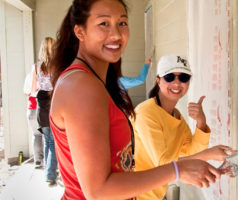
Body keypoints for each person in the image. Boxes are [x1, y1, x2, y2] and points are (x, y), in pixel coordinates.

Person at [49, 0, 226, 199]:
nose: (116, 34)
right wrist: (178, 170)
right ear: (80, 32)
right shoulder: (82, 86)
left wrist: (201, 134)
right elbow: (97, 192)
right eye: (103, 23)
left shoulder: (98, 82)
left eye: (122, 23)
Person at [133, 54, 232, 200]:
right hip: (133, 195)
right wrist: (208, 155)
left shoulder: (175, 115)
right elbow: (163, 165)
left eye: (183, 78)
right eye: (169, 77)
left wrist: (201, 123)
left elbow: (191, 150)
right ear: (158, 80)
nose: (177, 83)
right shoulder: (147, 113)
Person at [32, 37, 58, 186]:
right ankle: (50, 174)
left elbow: (34, 88)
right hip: (53, 103)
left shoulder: (36, 66)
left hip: (41, 104)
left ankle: (49, 171)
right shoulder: (57, 66)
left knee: (48, 140)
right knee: (54, 141)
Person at [24, 70, 43, 168]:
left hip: (31, 110)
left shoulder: (29, 76)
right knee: (49, 138)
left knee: (36, 135)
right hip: (43, 109)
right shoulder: (46, 76)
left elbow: (26, 93)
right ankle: (50, 163)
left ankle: (37, 161)